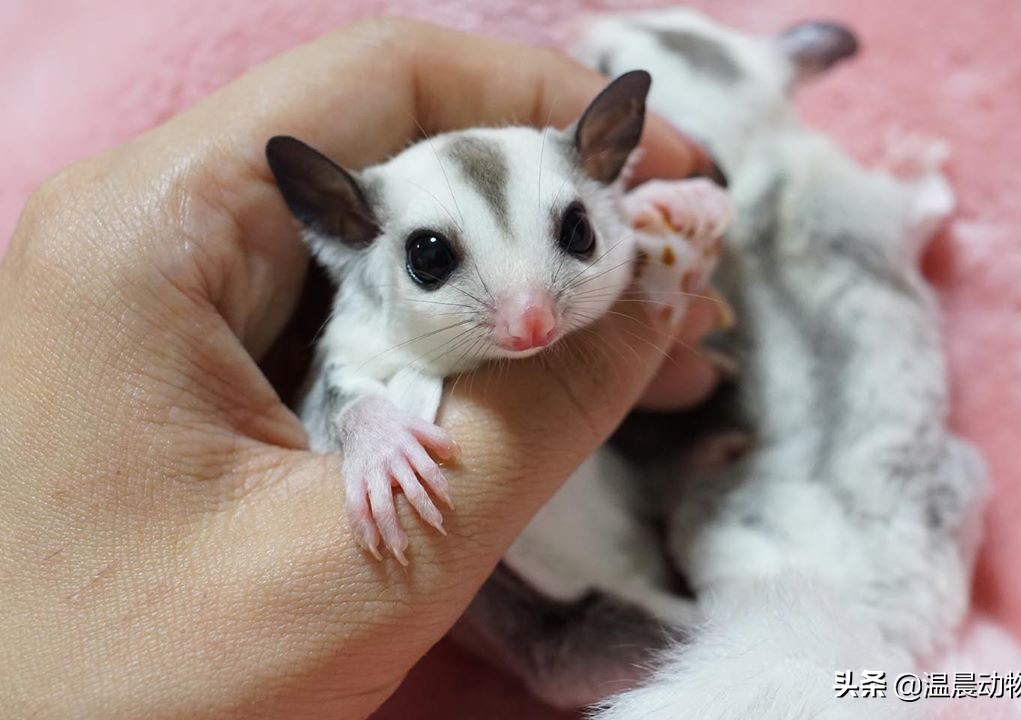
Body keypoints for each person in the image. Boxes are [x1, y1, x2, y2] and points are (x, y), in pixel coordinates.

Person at [0, 18, 720, 718]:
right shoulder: (368, 335)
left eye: (571, 234)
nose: (531, 321)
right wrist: (369, 428)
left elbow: (636, 243)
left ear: (605, 172)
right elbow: (344, 401)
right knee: (728, 654)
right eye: (434, 260)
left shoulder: (603, 220)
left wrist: (664, 214)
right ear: (349, 231)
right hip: (569, 617)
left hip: (649, 500)